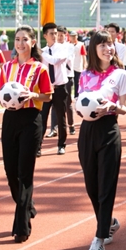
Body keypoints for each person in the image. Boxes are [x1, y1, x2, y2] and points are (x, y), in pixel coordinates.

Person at [77, 31, 126, 250]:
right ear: (93, 49)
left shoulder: (120, 74)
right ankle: (108, 221)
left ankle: (100, 237)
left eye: (110, 44)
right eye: (103, 45)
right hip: (87, 132)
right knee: (92, 186)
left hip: (109, 130)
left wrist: (111, 107)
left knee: (106, 187)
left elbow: (125, 108)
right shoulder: (84, 75)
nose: (108, 48)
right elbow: (79, 103)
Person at [0, 25, 52, 243]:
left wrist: (32, 95)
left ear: (33, 43)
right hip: (10, 119)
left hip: (31, 120)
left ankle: (21, 226)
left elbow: (48, 96)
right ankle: (27, 205)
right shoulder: (6, 68)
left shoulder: (40, 68)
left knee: (24, 172)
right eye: (17, 39)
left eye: (25, 40)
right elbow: (2, 93)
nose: (20, 43)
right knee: (10, 172)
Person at [40, 23, 68, 156]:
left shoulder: (62, 48)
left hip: (60, 88)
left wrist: (42, 54)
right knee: (42, 118)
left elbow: (55, 61)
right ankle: (38, 146)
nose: (55, 36)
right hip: (46, 89)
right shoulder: (43, 51)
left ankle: (61, 145)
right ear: (45, 35)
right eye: (51, 33)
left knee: (61, 118)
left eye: (56, 33)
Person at [70, 31, 87, 98]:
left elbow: (84, 56)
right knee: (70, 83)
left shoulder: (80, 45)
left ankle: (76, 96)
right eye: (72, 36)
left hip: (78, 66)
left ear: (77, 36)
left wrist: (84, 65)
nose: (73, 37)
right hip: (70, 67)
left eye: (74, 36)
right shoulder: (67, 45)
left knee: (77, 82)